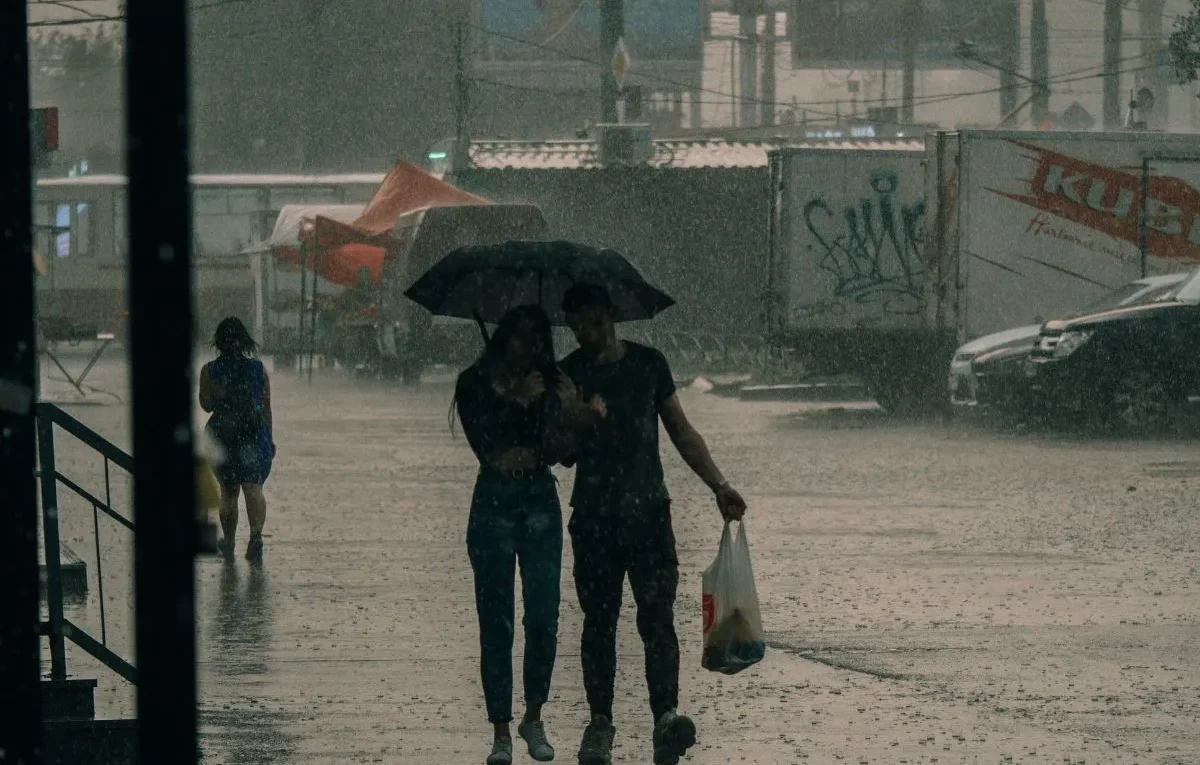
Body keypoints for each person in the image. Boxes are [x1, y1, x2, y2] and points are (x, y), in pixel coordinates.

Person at [557, 283, 747, 765]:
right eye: (577, 327)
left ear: (613, 315)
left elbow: (681, 431)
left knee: (657, 621)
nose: (587, 334)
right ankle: (599, 724)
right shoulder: (569, 375)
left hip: (648, 517)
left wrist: (718, 484)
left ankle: (665, 717)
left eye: (595, 323)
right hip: (595, 519)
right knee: (598, 624)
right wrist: (580, 420)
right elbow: (559, 453)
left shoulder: (648, 365)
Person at [451, 304, 599, 765]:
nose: (527, 347)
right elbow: (485, 445)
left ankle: (533, 716)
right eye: (519, 337)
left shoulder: (551, 383)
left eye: (536, 339)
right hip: (493, 501)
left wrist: (574, 415)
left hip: (539, 500)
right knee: (495, 620)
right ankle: (500, 730)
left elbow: (563, 455)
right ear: (502, 338)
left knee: (542, 616)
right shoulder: (473, 383)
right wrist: (513, 397)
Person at [199, 317, 275, 563]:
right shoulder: (258, 369)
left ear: (218, 342)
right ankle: (256, 538)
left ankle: (229, 542)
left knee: (228, 491)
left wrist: (221, 394)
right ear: (245, 340)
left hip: (222, 435)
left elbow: (206, 405)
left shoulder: (209, 370)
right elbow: (266, 407)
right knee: (253, 487)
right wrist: (269, 438)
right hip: (253, 434)